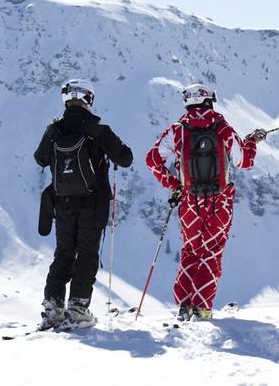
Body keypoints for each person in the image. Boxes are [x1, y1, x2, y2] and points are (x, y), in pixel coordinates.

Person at [145, 84, 266, 321]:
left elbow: (152, 160)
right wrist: (251, 141)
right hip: (220, 200)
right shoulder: (222, 127)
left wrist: (174, 184)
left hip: (190, 200)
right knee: (212, 252)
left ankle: (184, 304)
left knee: (191, 250)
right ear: (209, 101)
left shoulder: (178, 130)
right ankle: (202, 307)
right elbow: (244, 162)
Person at [34, 78, 133, 330]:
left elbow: (40, 159)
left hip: (62, 203)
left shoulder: (54, 130)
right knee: (87, 254)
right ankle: (78, 309)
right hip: (92, 203)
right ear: (89, 99)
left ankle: (53, 308)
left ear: (66, 100)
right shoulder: (97, 129)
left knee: (63, 254)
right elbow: (125, 158)